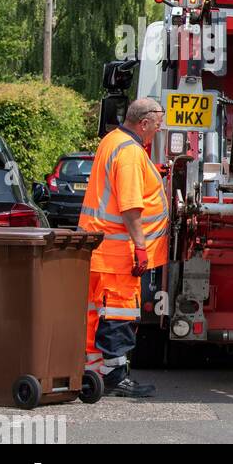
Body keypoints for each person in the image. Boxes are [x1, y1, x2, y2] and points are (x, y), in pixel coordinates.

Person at [78, 98, 170, 397]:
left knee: (95, 313)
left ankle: (92, 372)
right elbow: (131, 207)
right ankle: (116, 376)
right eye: (157, 126)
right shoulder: (130, 152)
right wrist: (141, 248)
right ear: (143, 123)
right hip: (119, 254)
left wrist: (152, 171)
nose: (157, 132)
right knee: (118, 316)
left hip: (99, 250)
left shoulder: (113, 140)